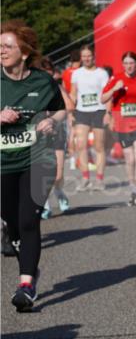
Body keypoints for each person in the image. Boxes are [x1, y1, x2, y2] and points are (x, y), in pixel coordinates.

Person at [1, 21, 67, 311]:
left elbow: (63, 108)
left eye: (8, 46)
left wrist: (52, 120)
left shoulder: (42, 81)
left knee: (28, 219)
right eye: (0, 45)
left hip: (37, 159)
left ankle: (26, 284)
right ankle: (28, 265)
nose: (1, 50)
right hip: (3, 163)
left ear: (24, 53)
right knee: (12, 222)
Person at [102, 52, 136, 207]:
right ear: (122, 64)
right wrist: (114, 90)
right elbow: (102, 98)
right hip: (122, 124)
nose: (129, 66)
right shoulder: (116, 78)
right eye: (126, 63)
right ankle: (133, 189)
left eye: (132, 63)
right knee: (129, 159)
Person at [69, 45, 109, 191]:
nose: (86, 58)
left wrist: (108, 113)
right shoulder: (76, 73)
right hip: (81, 111)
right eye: (84, 56)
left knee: (99, 146)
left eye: (89, 55)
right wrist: (70, 110)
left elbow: (107, 94)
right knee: (81, 145)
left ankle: (99, 179)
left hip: (98, 110)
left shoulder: (102, 73)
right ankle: (85, 178)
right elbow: (73, 93)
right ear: (81, 58)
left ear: (94, 56)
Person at [38, 57, 72, 219]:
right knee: (40, 173)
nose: (47, 79)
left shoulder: (57, 88)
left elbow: (70, 106)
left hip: (57, 133)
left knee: (57, 175)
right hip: (38, 137)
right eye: (44, 75)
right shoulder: (32, 89)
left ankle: (59, 192)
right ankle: (44, 205)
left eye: (50, 75)